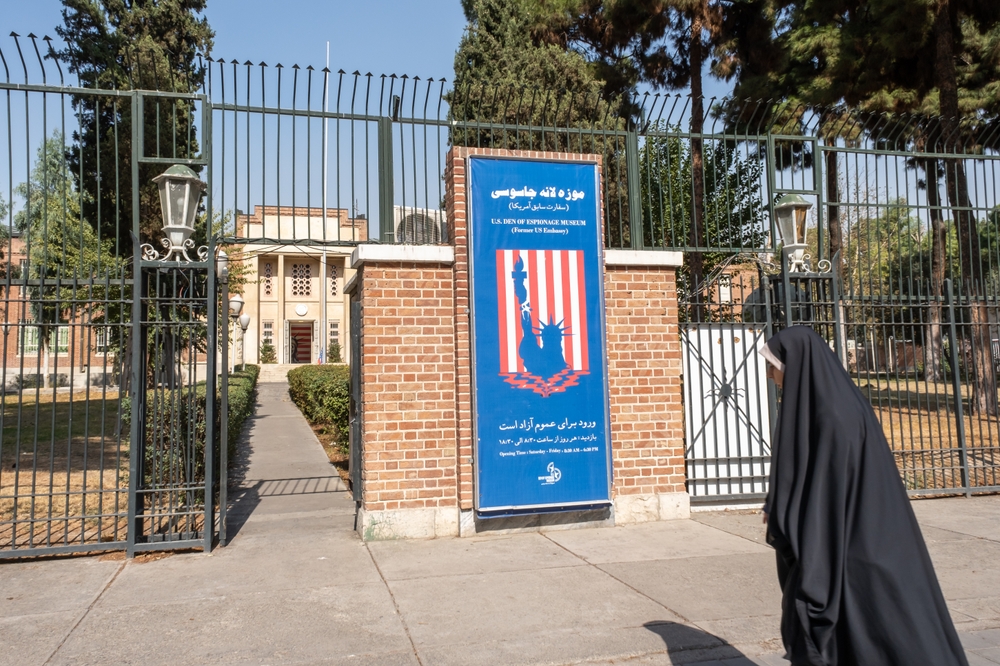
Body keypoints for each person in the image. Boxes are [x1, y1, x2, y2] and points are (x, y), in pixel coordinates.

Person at [760, 326, 968, 666]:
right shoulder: (815, 405)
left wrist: (789, 514)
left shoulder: (835, 415)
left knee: (878, 625)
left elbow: (827, 485)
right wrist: (777, 505)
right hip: (836, 536)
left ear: (795, 364)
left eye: (773, 366)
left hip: (853, 540)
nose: (770, 375)